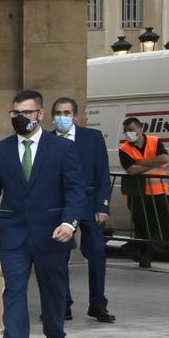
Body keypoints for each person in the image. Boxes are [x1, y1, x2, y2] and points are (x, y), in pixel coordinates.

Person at [0, 90, 86, 338]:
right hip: (14, 232)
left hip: (53, 232)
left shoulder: (61, 148)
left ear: (39, 114)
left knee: (53, 289)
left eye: (26, 112)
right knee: (13, 290)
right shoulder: (0, 151)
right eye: (15, 113)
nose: (20, 117)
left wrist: (68, 222)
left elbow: (75, 190)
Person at [50, 96, 114, 323]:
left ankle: (98, 304)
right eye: (58, 113)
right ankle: (62, 304)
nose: (62, 117)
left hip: (89, 204)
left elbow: (103, 174)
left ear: (76, 116)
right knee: (59, 256)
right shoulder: (47, 140)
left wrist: (102, 205)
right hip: (60, 206)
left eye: (67, 113)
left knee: (97, 254)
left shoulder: (92, 138)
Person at [119, 116, 169, 269]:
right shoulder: (124, 149)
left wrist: (141, 162)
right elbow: (131, 170)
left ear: (140, 129)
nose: (129, 134)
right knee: (141, 226)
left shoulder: (155, 141)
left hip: (158, 191)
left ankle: (132, 247)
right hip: (136, 193)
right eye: (126, 131)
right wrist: (154, 162)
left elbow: (165, 157)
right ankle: (145, 258)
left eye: (132, 130)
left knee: (162, 223)